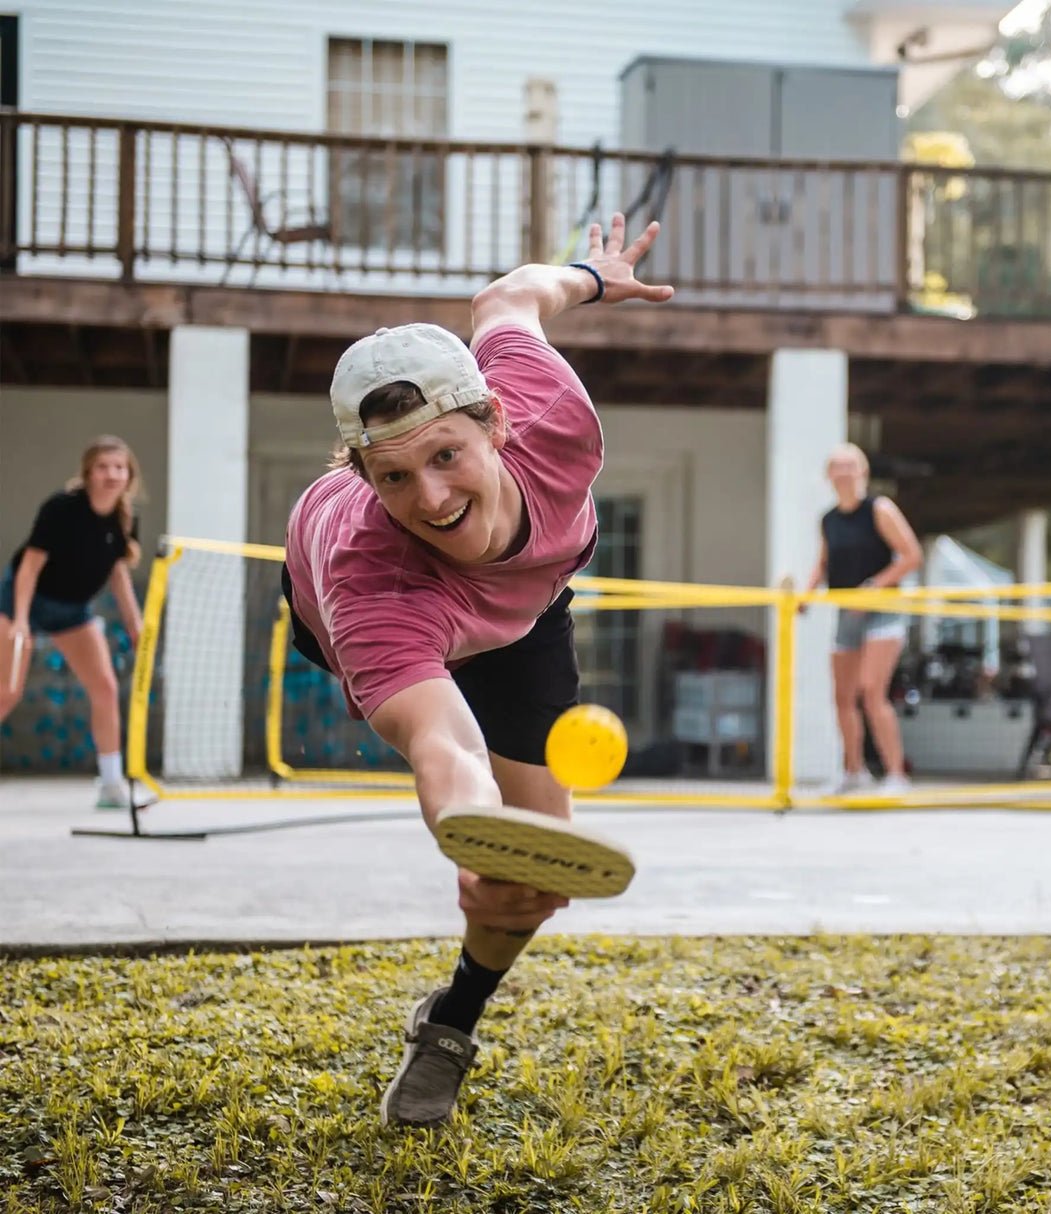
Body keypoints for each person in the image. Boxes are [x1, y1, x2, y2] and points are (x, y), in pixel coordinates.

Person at [282, 213, 673, 1127]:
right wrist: (472, 831)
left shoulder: (553, 415)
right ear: (365, 475)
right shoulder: (371, 569)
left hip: (526, 611)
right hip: (373, 614)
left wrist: (590, 274)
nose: (433, 498)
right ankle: (461, 998)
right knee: (507, 857)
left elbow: (508, 297)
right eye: (395, 477)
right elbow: (443, 741)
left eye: (447, 456)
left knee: (541, 879)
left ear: (497, 421)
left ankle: (449, 1021)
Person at [0, 436, 155, 810]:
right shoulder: (62, 508)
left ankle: (112, 784)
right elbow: (30, 566)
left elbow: (118, 575)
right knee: (8, 690)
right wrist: (20, 620)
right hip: (23, 601)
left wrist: (137, 626)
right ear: (87, 473)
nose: (111, 475)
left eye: (119, 468)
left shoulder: (126, 517)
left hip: (73, 612)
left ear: (129, 475)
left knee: (104, 687)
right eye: (103, 467)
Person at [807, 443, 922, 795]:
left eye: (850, 466)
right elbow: (824, 563)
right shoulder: (828, 519)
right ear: (828, 475)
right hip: (847, 612)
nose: (844, 472)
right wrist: (805, 595)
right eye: (837, 466)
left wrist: (874, 586)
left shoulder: (879, 510)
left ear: (863, 471)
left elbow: (910, 555)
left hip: (882, 611)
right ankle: (853, 772)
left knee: (872, 691)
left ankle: (896, 774)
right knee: (843, 697)